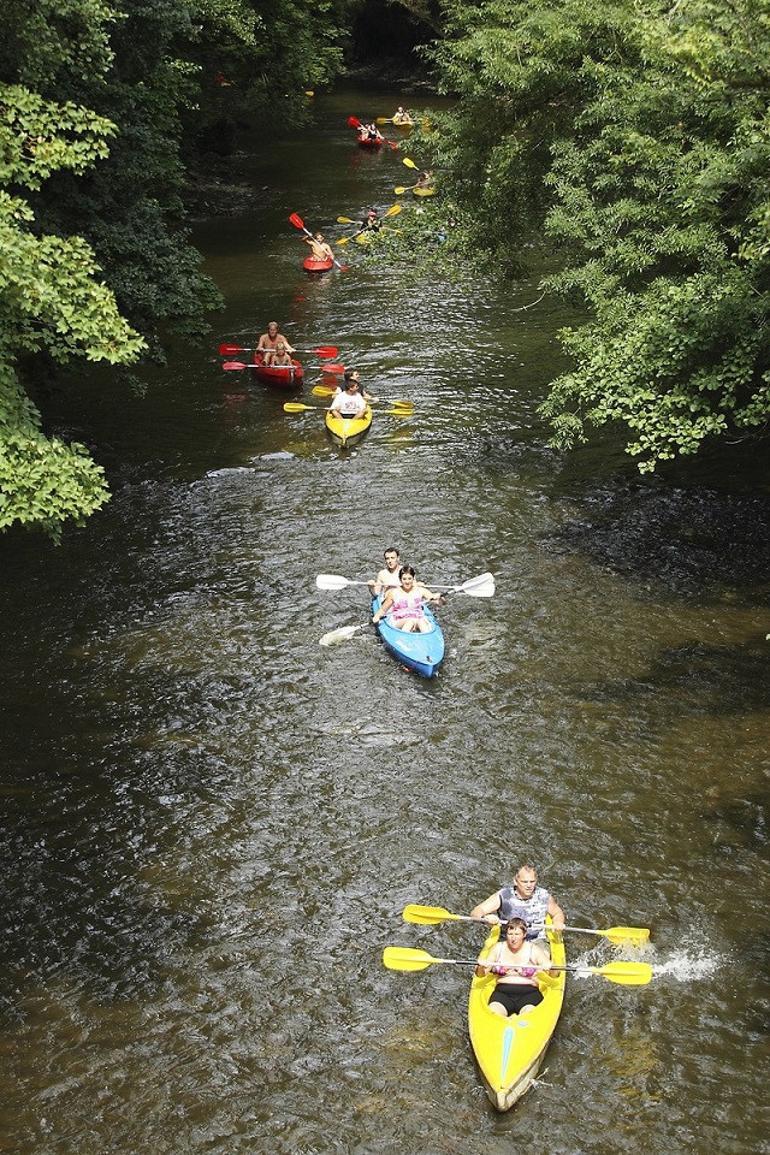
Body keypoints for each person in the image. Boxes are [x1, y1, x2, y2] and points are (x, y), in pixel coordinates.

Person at [470, 864, 566, 955]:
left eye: (532, 881)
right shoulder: (504, 895)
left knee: (541, 961)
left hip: (536, 940)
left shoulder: (544, 896)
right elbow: (476, 912)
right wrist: (485, 918)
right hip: (508, 939)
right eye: (524, 882)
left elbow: (557, 913)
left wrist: (558, 922)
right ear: (516, 881)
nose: (529, 886)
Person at [474, 918, 556, 1018]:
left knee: (528, 1016)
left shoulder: (533, 949)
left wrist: (552, 968)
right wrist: (480, 966)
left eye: (517, 934)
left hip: (529, 994)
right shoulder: (498, 948)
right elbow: (481, 975)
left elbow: (554, 975)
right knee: (493, 1014)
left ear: (524, 935)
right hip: (502, 993)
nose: (513, 938)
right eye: (510, 934)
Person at [371, 565, 441, 634]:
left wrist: (439, 598)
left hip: (418, 617)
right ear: (400, 579)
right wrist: (377, 617)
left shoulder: (420, 590)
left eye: (409, 578)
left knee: (421, 621)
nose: (407, 582)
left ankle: (427, 638)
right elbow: (383, 610)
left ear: (413, 579)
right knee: (410, 621)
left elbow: (439, 602)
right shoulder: (394, 593)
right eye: (404, 579)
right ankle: (403, 638)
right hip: (399, 620)